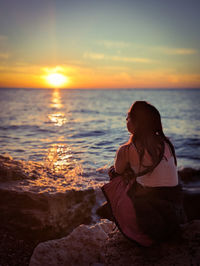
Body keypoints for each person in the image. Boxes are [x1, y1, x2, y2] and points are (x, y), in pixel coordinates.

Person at [97, 101, 186, 246]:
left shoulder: (126, 149)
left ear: (136, 123)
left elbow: (118, 171)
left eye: (128, 117)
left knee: (115, 175)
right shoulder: (166, 143)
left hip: (150, 205)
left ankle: (126, 219)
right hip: (175, 204)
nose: (126, 121)